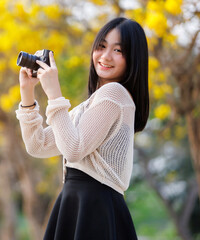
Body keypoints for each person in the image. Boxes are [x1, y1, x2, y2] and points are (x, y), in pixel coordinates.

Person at [16, 17, 149, 240]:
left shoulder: (115, 94)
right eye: (102, 46)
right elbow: (37, 145)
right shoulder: (89, 106)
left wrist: (54, 94)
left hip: (94, 206)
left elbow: (73, 149)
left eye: (118, 50)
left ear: (133, 58)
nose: (105, 56)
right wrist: (27, 93)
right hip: (79, 203)